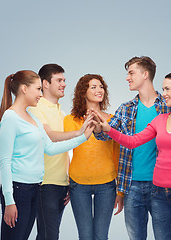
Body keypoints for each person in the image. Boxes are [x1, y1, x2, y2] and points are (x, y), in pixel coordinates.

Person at [93, 70, 171, 240]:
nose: (164, 94)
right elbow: (133, 141)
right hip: (159, 195)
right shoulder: (160, 120)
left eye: (168, 89)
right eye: (163, 89)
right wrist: (108, 129)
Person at [0, 70, 94, 240]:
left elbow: (49, 148)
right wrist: (9, 200)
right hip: (18, 190)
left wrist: (82, 136)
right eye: (37, 89)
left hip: (35, 187)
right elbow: (5, 161)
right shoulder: (10, 117)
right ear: (24, 89)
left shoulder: (33, 118)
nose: (40, 94)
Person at [94, 56, 171, 240]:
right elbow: (105, 134)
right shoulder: (126, 108)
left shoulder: (168, 107)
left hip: (161, 186)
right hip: (131, 186)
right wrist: (98, 125)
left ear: (145, 74)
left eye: (131, 73)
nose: (127, 77)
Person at [28, 64, 87, 240]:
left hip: (61, 184)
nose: (63, 84)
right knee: (49, 235)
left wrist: (68, 179)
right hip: (44, 184)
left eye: (64, 80)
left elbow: (65, 149)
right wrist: (79, 132)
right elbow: (50, 137)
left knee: (49, 234)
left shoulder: (61, 113)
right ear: (45, 84)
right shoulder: (35, 109)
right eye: (59, 80)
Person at [63, 74, 120, 240]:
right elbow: (65, 148)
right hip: (78, 184)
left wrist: (120, 190)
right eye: (93, 87)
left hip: (107, 184)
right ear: (83, 92)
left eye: (101, 86)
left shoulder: (112, 119)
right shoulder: (70, 120)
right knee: (85, 236)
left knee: (101, 236)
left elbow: (117, 152)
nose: (99, 90)